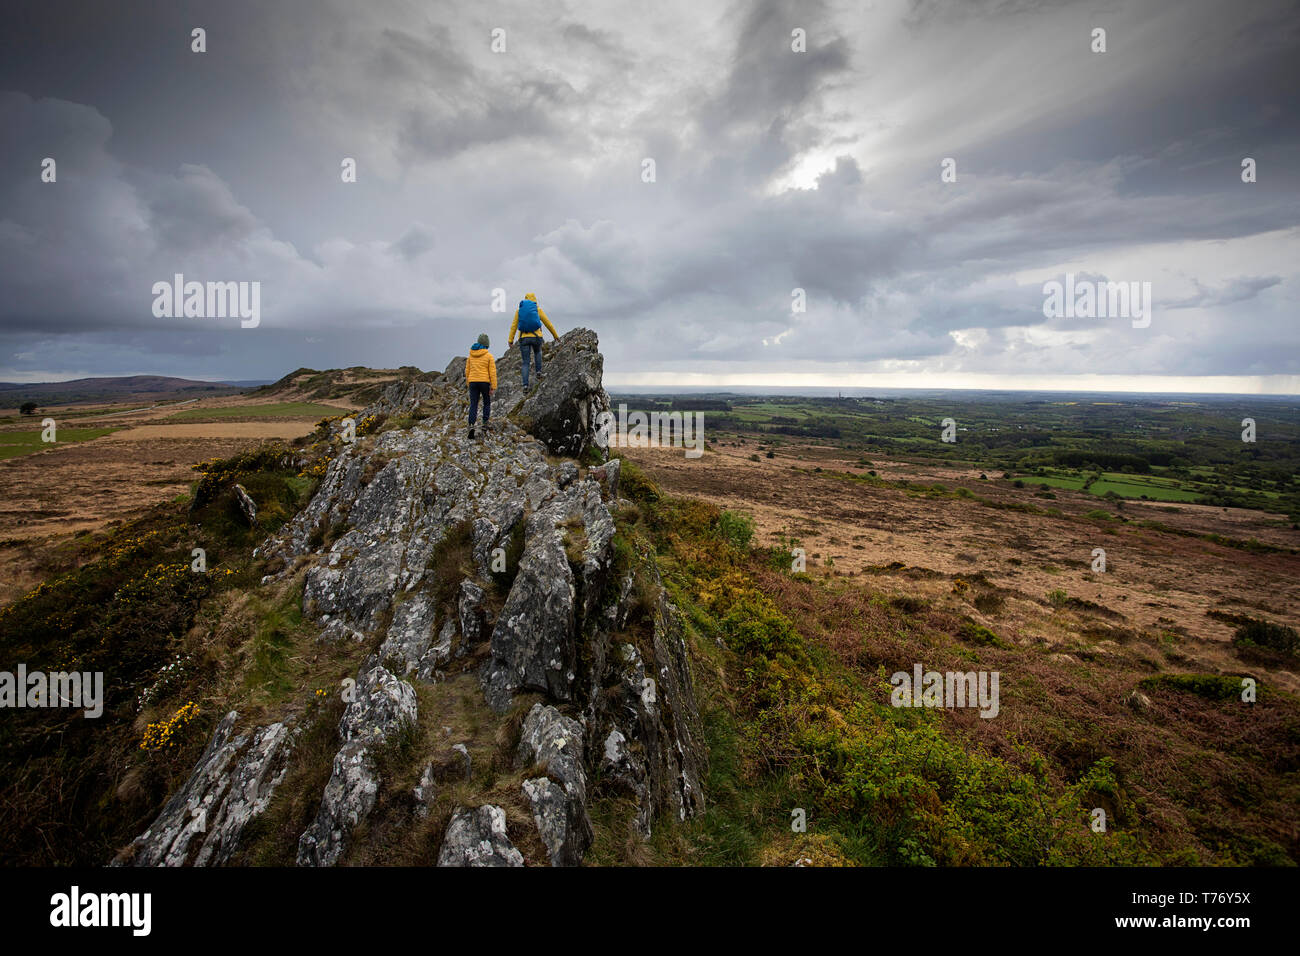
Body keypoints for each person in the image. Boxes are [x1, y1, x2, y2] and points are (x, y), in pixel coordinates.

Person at [508, 292, 560, 390]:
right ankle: (539, 372)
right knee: (538, 352)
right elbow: (548, 323)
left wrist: (510, 340)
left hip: (523, 338)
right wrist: (555, 335)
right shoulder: (537, 309)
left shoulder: (519, 311)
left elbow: (513, 326)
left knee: (525, 362)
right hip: (537, 337)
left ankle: (525, 385)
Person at [465, 332, 497, 440]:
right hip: (484, 382)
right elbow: (492, 372)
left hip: (473, 382)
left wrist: (468, 383)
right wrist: (493, 386)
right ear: (487, 345)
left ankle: (471, 425)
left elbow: (467, 370)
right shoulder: (489, 356)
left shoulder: (471, 356)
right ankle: (485, 423)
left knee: (473, 403)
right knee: (486, 402)